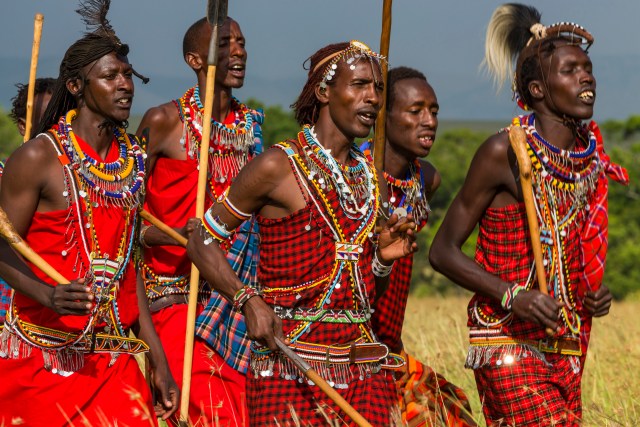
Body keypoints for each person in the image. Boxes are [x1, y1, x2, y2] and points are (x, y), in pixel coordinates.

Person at [187, 40, 418, 426]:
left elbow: (360, 295)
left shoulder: (369, 178)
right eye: (359, 84)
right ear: (324, 91)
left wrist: (380, 261)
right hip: (288, 369)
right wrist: (246, 300)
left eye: (377, 88)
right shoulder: (278, 166)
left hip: (363, 372)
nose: (372, 98)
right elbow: (201, 239)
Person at [429, 4, 628, 426]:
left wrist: (591, 292)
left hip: (563, 344)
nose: (586, 78)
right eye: (570, 70)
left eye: (588, 69)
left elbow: (568, 247)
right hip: (505, 341)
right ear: (538, 90)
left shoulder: (587, 159)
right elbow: (442, 251)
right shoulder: (503, 151)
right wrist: (511, 295)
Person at [0, 1, 179, 425]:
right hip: (43, 358)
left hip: (112, 360)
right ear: (78, 87)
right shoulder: (39, 157)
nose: (125, 86)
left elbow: (128, 270)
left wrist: (159, 360)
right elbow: (2, 245)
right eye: (110, 76)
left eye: (128, 76)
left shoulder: (134, 160)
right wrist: (46, 294)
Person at [135, 16, 262, 426]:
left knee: (249, 408)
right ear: (194, 59)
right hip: (171, 295)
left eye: (241, 43)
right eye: (224, 45)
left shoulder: (252, 129)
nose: (238, 52)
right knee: (207, 407)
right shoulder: (162, 121)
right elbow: (123, 218)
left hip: (229, 296)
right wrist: (177, 235)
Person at [361, 66, 476, 427]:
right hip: (350, 343)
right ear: (383, 115)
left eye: (434, 111)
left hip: (390, 342)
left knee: (450, 411)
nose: (429, 121)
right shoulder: (353, 174)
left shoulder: (425, 179)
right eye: (415, 111)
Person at [0, 77, 56, 327]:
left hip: (49, 318)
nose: (55, 129)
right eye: (46, 121)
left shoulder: (78, 187)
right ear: (24, 126)